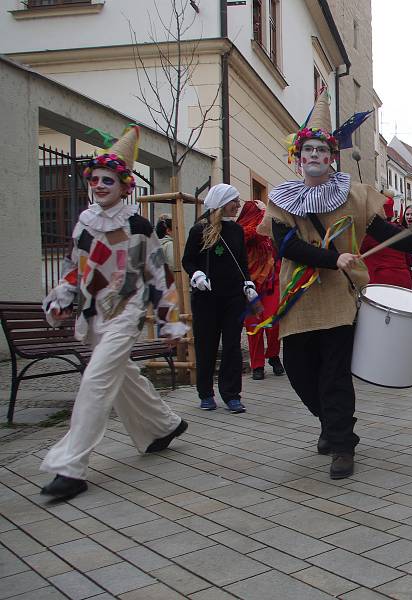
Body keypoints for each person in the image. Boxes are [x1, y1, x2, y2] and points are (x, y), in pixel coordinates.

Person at [262, 93, 412, 479]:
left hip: (339, 296)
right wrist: (333, 257)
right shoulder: (280, 199)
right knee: (298, 369)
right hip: (299, 298)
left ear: (332, 157)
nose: (314, 155)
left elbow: (387, 234)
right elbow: (286, 245)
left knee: (334, 372)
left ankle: (342, 444)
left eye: (322, 150)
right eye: (308, 149)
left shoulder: (354, 196)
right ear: (299, 156)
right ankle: (331, 425)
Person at [39, 126, 189, 500]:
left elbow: (157, 273)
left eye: (109, 180)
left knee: (96, 380)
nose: (100, 185)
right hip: (93, 316)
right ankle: (163, 426)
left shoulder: (137, 226)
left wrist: (170, 322)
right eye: (96, 180)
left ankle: (71, 467)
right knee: (122, 377)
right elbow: (76, 268)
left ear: (125, 186)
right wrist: (61, 298)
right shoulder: (86, 224)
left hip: (126, 311)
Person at [183, 184, 256, 414]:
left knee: (233, 346)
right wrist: (197, 274)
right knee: (206, 345)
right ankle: (205, 393)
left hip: (233, 298)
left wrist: (248, 283)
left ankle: (232, 394)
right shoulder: (199, 230)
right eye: (234, 200)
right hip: (207, 299)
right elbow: (188, 260)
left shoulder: (236, 231)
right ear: (222, 203)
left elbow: (242, 262)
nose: (238, 204)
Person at [237, 199, 285, 379]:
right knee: (253, 325)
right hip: (249, 285)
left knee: (274, 323)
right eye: (260, 213)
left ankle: (273, 355)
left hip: (271, 284)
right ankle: (257, 364)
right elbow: (252, 234)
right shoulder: (241, 231)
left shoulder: (267, 232)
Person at [360, 193, 412, 289]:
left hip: (379, 280)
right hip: (403, 279)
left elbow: (359, 253)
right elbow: (409, 260)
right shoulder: (401, 230)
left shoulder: (370, 233)